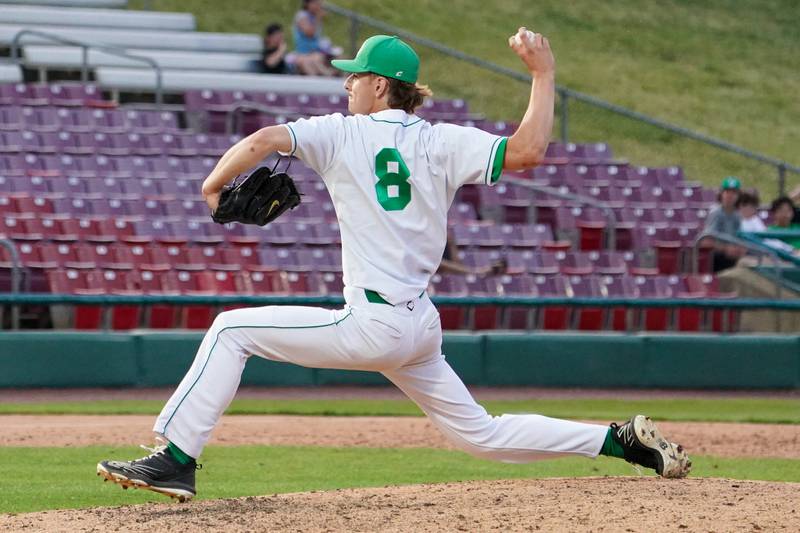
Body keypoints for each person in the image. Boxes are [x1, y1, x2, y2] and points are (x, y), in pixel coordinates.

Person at [97, 30, 690, 502]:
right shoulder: (442, 140)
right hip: (418, 325)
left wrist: (211, 186)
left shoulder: (342, 134)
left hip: (373, 326)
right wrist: (542, 73)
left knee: (230, 329)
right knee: (478, 433)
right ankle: (621, 444)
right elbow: (530, 149)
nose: (347, 85)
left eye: (355, 76)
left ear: (380, 86)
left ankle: (175, 460)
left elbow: (261, 142)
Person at [703, 176, 745, 272]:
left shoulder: (737, 216)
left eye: (734, 192)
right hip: (716, 258)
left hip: (731, 257)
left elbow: (739, 238)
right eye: (727, 192)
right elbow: (706, 241)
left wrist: (740, 249)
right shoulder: (716, 213)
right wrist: (725, 249)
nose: (730, 195)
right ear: (721, 194)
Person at [292, 0, 339, 76]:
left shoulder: (314, 16)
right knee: (312, 62)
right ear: (307, 3)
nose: (317, 6)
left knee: (337, 57)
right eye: (315, 3)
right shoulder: (302, 16)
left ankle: (331, 75)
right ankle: (328, 76)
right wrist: (318, 17)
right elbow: (309, 33)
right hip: (304, 53)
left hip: (315, 52)